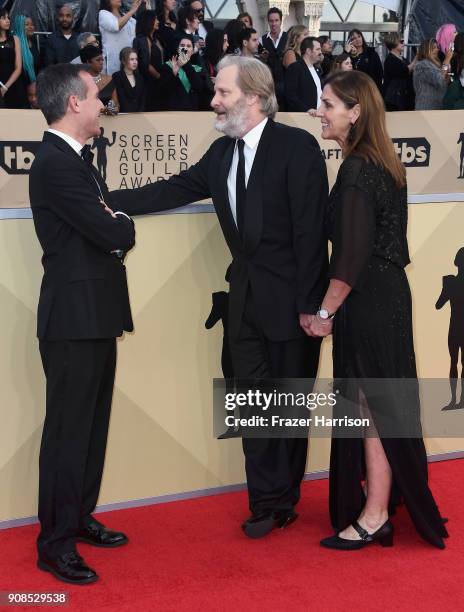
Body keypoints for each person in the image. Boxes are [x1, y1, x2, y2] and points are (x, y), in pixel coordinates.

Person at [109, 55, 328, 539]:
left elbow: (312, 235)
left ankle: (284, 497)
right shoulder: (221, 153)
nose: (214, 100)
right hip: (244, 299)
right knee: (252, 402)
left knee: (290, 407)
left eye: (223, 92)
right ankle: (267, 501)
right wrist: (106, 199)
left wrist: (313, 307)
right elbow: (173, 188)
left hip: (294, 303)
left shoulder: (298, 147)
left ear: (253, 96)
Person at [312, 70, 448, 550]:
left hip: (366, 298)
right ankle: (382, 504)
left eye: (328, 104)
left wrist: (323, 314)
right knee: (382, 404)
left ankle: (373, 515)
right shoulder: (386, 163)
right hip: (387, 294)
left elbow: (349, 258)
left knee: (370, 408)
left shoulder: (356, 171)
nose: (319, 112)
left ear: (355, 113)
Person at [31, 62, 136, 585]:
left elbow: (107, 220)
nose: (101, 105)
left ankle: (77, 519)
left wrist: (115, 221)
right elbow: (110, 228)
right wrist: (121, 224)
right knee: (68, 434)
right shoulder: (54, 162)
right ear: (73, 102)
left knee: (92, 429)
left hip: (94, 314)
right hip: (72, 320)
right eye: (95, 96)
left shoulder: (76, 160)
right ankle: (54, 543)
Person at [436, 247, 464, 409]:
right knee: (458, 363)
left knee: (454, 363)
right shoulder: (451, 282)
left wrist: (445, 288)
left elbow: (438, 304)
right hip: (457, 328)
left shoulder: (451, 282)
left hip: (454, 328)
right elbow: (438, 306)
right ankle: (458, 400)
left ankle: (456, 400)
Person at [133, 8, 164, 110]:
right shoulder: (142, 40)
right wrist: (159, 76)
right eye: (155, 19)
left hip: (158, 82)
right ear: (148, 21)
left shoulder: (156, 39)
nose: (158, 22)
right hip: (149, 83)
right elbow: (145, 63)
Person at [160, 36, 203, 110]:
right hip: (172, 111)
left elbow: (199, 88)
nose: (185, 48)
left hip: (192, 111)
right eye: (182, 45)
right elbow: (163, 90)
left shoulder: (197, 69)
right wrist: (174, 74)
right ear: (177, 49)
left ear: (192, 51)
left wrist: (186, 66)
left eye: (188, 46)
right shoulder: (168, 66)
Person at [98, 0, 141, 76]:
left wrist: (145, 8)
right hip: (114, 61)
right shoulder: (103, 14)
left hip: (130, 60)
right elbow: (116, 26)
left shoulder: (125, 16)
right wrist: (132, 11)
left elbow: (139, 28)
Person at [284, 36, 323, 112]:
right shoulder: (295, 68)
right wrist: (306, 110)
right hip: (302, 118)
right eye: (318, 49)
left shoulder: (316, 69)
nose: (320, 52)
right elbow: (290, 95)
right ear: (308, 51)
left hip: (317, 116)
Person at [80, 43, 120, 114]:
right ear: (88, 62)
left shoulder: (109, 79)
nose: (101, 63)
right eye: (98, 60)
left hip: (108, 120)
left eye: (102, 60)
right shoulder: (79, 81)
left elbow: (116, 104)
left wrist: (113, 109)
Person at [413, 38, 451, 110]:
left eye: (437, 47)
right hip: (426, 107)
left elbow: (444, 83)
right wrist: (447, 60)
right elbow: (439, 80)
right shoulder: (422, 65)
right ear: (426, 50)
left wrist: (448, 74)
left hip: (437, 106)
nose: (437, 50)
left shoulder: (436, 64)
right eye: (434, 48)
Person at [0, 8, 27, 108]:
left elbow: (18, 68)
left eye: (8, 18)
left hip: (14, 84)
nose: (7, 20)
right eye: (3, 18)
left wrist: (5, 87)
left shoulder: (15, 39)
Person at [261, 7, 287, 108]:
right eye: (271, 21)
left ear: (281, 21)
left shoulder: (288, 37)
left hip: (286, 86)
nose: (274, 23)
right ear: (268, 21)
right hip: (268, 87)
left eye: (276, 20)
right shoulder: (262, 40)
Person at [383, 32, 415, 111]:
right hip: (395, 100)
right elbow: (405, 71)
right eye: (401, 42)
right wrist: (417, 57)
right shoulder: (390, 60)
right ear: (393, 43)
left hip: (404, 97)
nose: (403, 43)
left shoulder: (402, 59)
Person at [12, 13, 38, 107]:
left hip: (32, 89)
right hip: (19, 90)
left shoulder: (33, 44)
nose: (31, 27)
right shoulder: (13, 45)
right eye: (27, 25)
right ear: (19, 27)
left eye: (32, 24)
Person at [113, 46, 145, 111]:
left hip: (139, 115)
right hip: (124, 115)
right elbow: (121, 99)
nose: (135, 62)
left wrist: (140, 113)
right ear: (123, 61)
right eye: (132, 59)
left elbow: (142, 99)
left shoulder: (140, 77)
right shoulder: (117, 76)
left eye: (136, 59)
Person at [443, 34, 464, 110]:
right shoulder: (453, 57)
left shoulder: (452, 57)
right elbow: (446, 76)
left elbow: (444, 76)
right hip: (456, 91)